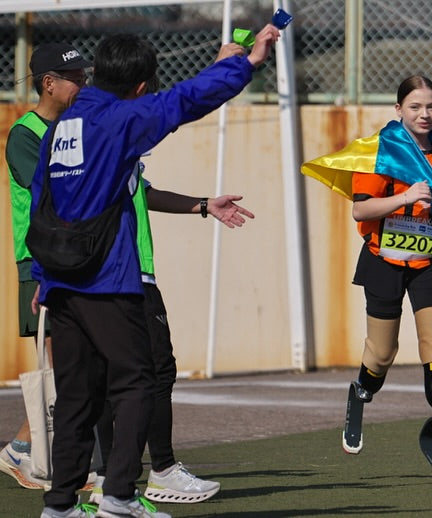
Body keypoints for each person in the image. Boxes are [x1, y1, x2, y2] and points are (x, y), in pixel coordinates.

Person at [32, 26, 279, 518]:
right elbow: (187, 100)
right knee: (139, 382)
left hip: (62, 280)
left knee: (78, 394)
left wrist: (43, 275)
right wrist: (244, 64)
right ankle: (120, 497)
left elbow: (43, 198)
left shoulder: (63, 125)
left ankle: (59, 507)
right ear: (140, 87)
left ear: (96, 73)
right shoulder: (122, 118)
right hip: (107, 276)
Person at [300, 76, 432, 475]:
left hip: (428, 260)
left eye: (431, 106)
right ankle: (361, 391)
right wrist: (406, 197)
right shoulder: (381, 151)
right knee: (382, 352)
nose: (424, 114)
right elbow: (361, 211)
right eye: (415, 107)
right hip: (383, 260)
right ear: (398, 110)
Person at [89, 161, 254, 506]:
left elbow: (144, 193)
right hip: (121, 273)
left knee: (114, 374)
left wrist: (205, 205)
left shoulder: (106, 136)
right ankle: (156, 471)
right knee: (153, 371)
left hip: (121, 273)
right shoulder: (105, 134)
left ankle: (110, 478)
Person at [2, 42, 92, 491]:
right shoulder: (25, 134)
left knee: (75, 366)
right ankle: (44, 458)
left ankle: (23, 449)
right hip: (40, 262)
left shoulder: (77, 127)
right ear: (48, 83)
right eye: (72, 77)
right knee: (63, 366)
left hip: (76, 259)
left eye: (83, 75)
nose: (82, 83)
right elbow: (54, 191)